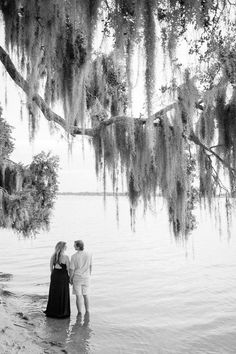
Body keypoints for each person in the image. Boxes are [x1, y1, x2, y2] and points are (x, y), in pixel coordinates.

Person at [44, 241, 70, 318]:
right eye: (66, 246)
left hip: (55, 276)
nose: (67, 247)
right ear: (63, 247)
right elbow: (68, 269)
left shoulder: (53, 256)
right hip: (63, 277)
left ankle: (52, 311)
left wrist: (53, 275)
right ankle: (62, 312)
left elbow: (51, 269)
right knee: (62, 293)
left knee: (54, 293)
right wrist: (70, 278)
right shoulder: (66, 257)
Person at [70, 240, 92, 315]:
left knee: (78, 296)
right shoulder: (89, 254)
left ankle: (79, 313)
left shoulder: (74, 256)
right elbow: (90, 266)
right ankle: (87, 311)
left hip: (77, 278)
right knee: (86, 295)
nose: (73, 246)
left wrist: (70, 278)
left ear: (78, 247)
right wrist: (89, 275)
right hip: (86, 277)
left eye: (75, 245)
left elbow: (72, 269)